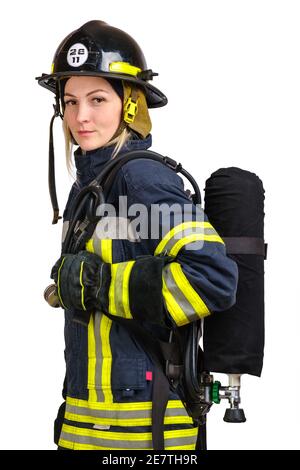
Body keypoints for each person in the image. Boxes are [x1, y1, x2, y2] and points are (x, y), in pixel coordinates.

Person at [37, 20, 238, 451]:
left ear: (130, 105)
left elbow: (212, 277)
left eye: (97, 99)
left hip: (149, 436)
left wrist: (100, 285)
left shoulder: (140, 178)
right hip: (90, 429)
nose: (80, 117)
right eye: (70, 102)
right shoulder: (89, 187)